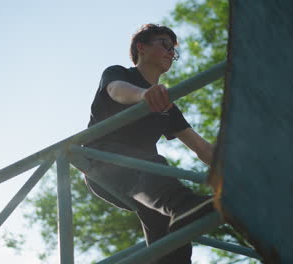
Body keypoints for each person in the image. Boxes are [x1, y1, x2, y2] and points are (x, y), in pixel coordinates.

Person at [83, 24, 215, 263]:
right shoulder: (120, 74)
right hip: (102, 164)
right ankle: (182, 203)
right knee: (158, 171)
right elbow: (115, 90)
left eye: (173, 51)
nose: (170, 54)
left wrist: (235, 170)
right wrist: (143, 95)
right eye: (165, 44)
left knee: (170, 234)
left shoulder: (167, 104)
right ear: (141, 47)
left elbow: (201, 148)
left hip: (146, 180)